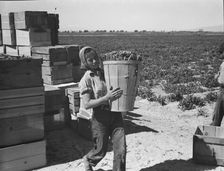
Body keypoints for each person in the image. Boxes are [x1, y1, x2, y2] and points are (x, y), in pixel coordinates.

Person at [78, 46, 126, 171]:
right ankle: (88, 160)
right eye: (90, 60)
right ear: (85, 62)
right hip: (100, 118)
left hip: (115, 114)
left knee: (121, 150)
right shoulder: (86, 79)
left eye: (95, 58)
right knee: (100, 151)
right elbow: (87, 103)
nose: (94, 62)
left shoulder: (107, 71)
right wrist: (106, 98)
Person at [210, 60, 224, 126]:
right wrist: (217, 76)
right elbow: (219, 73)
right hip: (222, 90)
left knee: (218, 114)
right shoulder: (223, 63)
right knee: (217, 115)